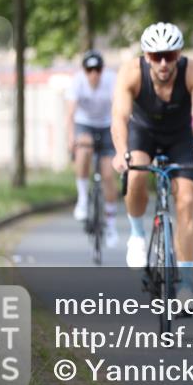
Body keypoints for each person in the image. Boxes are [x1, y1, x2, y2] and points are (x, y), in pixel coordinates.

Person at [111, 22, 193, 302]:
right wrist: (121, 151)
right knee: (136, 175)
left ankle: (186, 285)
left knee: (186, 202)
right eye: (157, 56)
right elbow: (119, 116)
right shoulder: (131, 72)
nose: (164, 63)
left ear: (179, 54)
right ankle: (137, 234)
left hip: (179, 136)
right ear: (146, 57)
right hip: (143, 133)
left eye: (170, 55)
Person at [65, 50, 119, 246]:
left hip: (107, 125)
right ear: (84, 71)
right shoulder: (77, 81)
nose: (93, 74)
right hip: (84, 124)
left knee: (107, 175)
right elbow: (70, 113)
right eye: (89, 70)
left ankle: (111, 225)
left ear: (102, 70)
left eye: (97, 69)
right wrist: (71, 137)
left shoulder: (112, 80)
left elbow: (119, 108)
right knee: (84, 149)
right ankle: (82, 199)